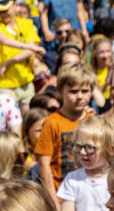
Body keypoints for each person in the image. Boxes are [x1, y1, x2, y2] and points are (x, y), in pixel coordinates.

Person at [35, 63, 96, 199]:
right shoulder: (52, 122)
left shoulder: (92, 120)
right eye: (73, 91)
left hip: (89, 193)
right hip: (61, 194)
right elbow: (44, 164)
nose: (80, 96)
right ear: (61, 91)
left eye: (85, 91)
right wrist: (53, 199)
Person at [0, 0, 44, 114]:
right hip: (3, 84)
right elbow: (4, 40)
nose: (2, 14)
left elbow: (31, 49)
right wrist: (31, 48)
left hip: (25, 82)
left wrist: (8, 63)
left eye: (5, 9)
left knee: (27, 120)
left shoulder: (27, 23)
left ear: (15, 5)